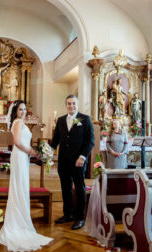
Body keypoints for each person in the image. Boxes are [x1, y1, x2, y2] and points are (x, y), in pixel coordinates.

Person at [0, 100, 53, 251]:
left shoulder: (20, 122)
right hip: (20, 155)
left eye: (24, 110)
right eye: (20, 110)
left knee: (21, 186)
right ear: (15, 111)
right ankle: (17, 222)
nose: (23, 112)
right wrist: (32, 152)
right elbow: (17, 142)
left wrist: (34, 151)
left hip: (23, 157)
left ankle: (20, 219)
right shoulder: (17, 122)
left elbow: (24, 141)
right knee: (19, 186)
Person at [51, 94, 95, 230]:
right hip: (63, 161)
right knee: (65, 188)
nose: (71, 106)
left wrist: (82, 157)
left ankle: (79, 218)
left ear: (77, 104)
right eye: (69, 103)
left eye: (74, 103)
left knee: (80, 188)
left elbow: (90, 141)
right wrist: (46, 153)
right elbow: (55, 140)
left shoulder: (85, 119)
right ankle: (68, 214)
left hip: (78, 161)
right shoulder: (60, 120)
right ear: (66, 105)